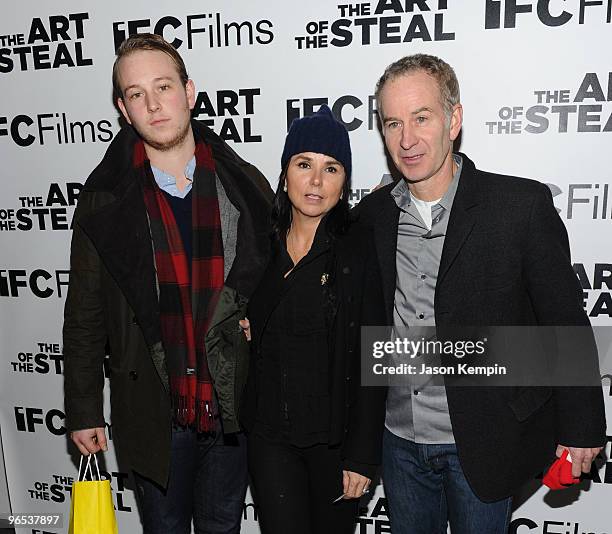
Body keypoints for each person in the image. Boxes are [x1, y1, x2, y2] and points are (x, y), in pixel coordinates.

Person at [355, 54, 606, 533]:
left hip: (486, 438)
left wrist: (583, 426)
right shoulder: (374, 217)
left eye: (422, 118)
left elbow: (563, 321)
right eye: (392, 123)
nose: (407, 140)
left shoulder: (519, 207)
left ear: (454, 119)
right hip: (399, 444)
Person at [63, 33, 273, 534]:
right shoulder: (103, 200)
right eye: (137, 94)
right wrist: (83, 411)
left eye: (164, 87)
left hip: (229, 401)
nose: (154, 105)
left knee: (223, 526)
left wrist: (255, 322)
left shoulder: (246, 185)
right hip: (154, 404)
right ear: (123, 108)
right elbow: (85, 315)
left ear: (190, 91)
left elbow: (274, 285)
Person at [239, 105, 387, 534]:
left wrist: (362, 455)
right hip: (269, 439)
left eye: (332, 168)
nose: (316, 181)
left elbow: (372, 354)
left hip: (334, 444)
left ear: (345, 184)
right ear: (285, 175)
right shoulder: (259, 245)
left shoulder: (357, 249)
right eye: (304, 165)